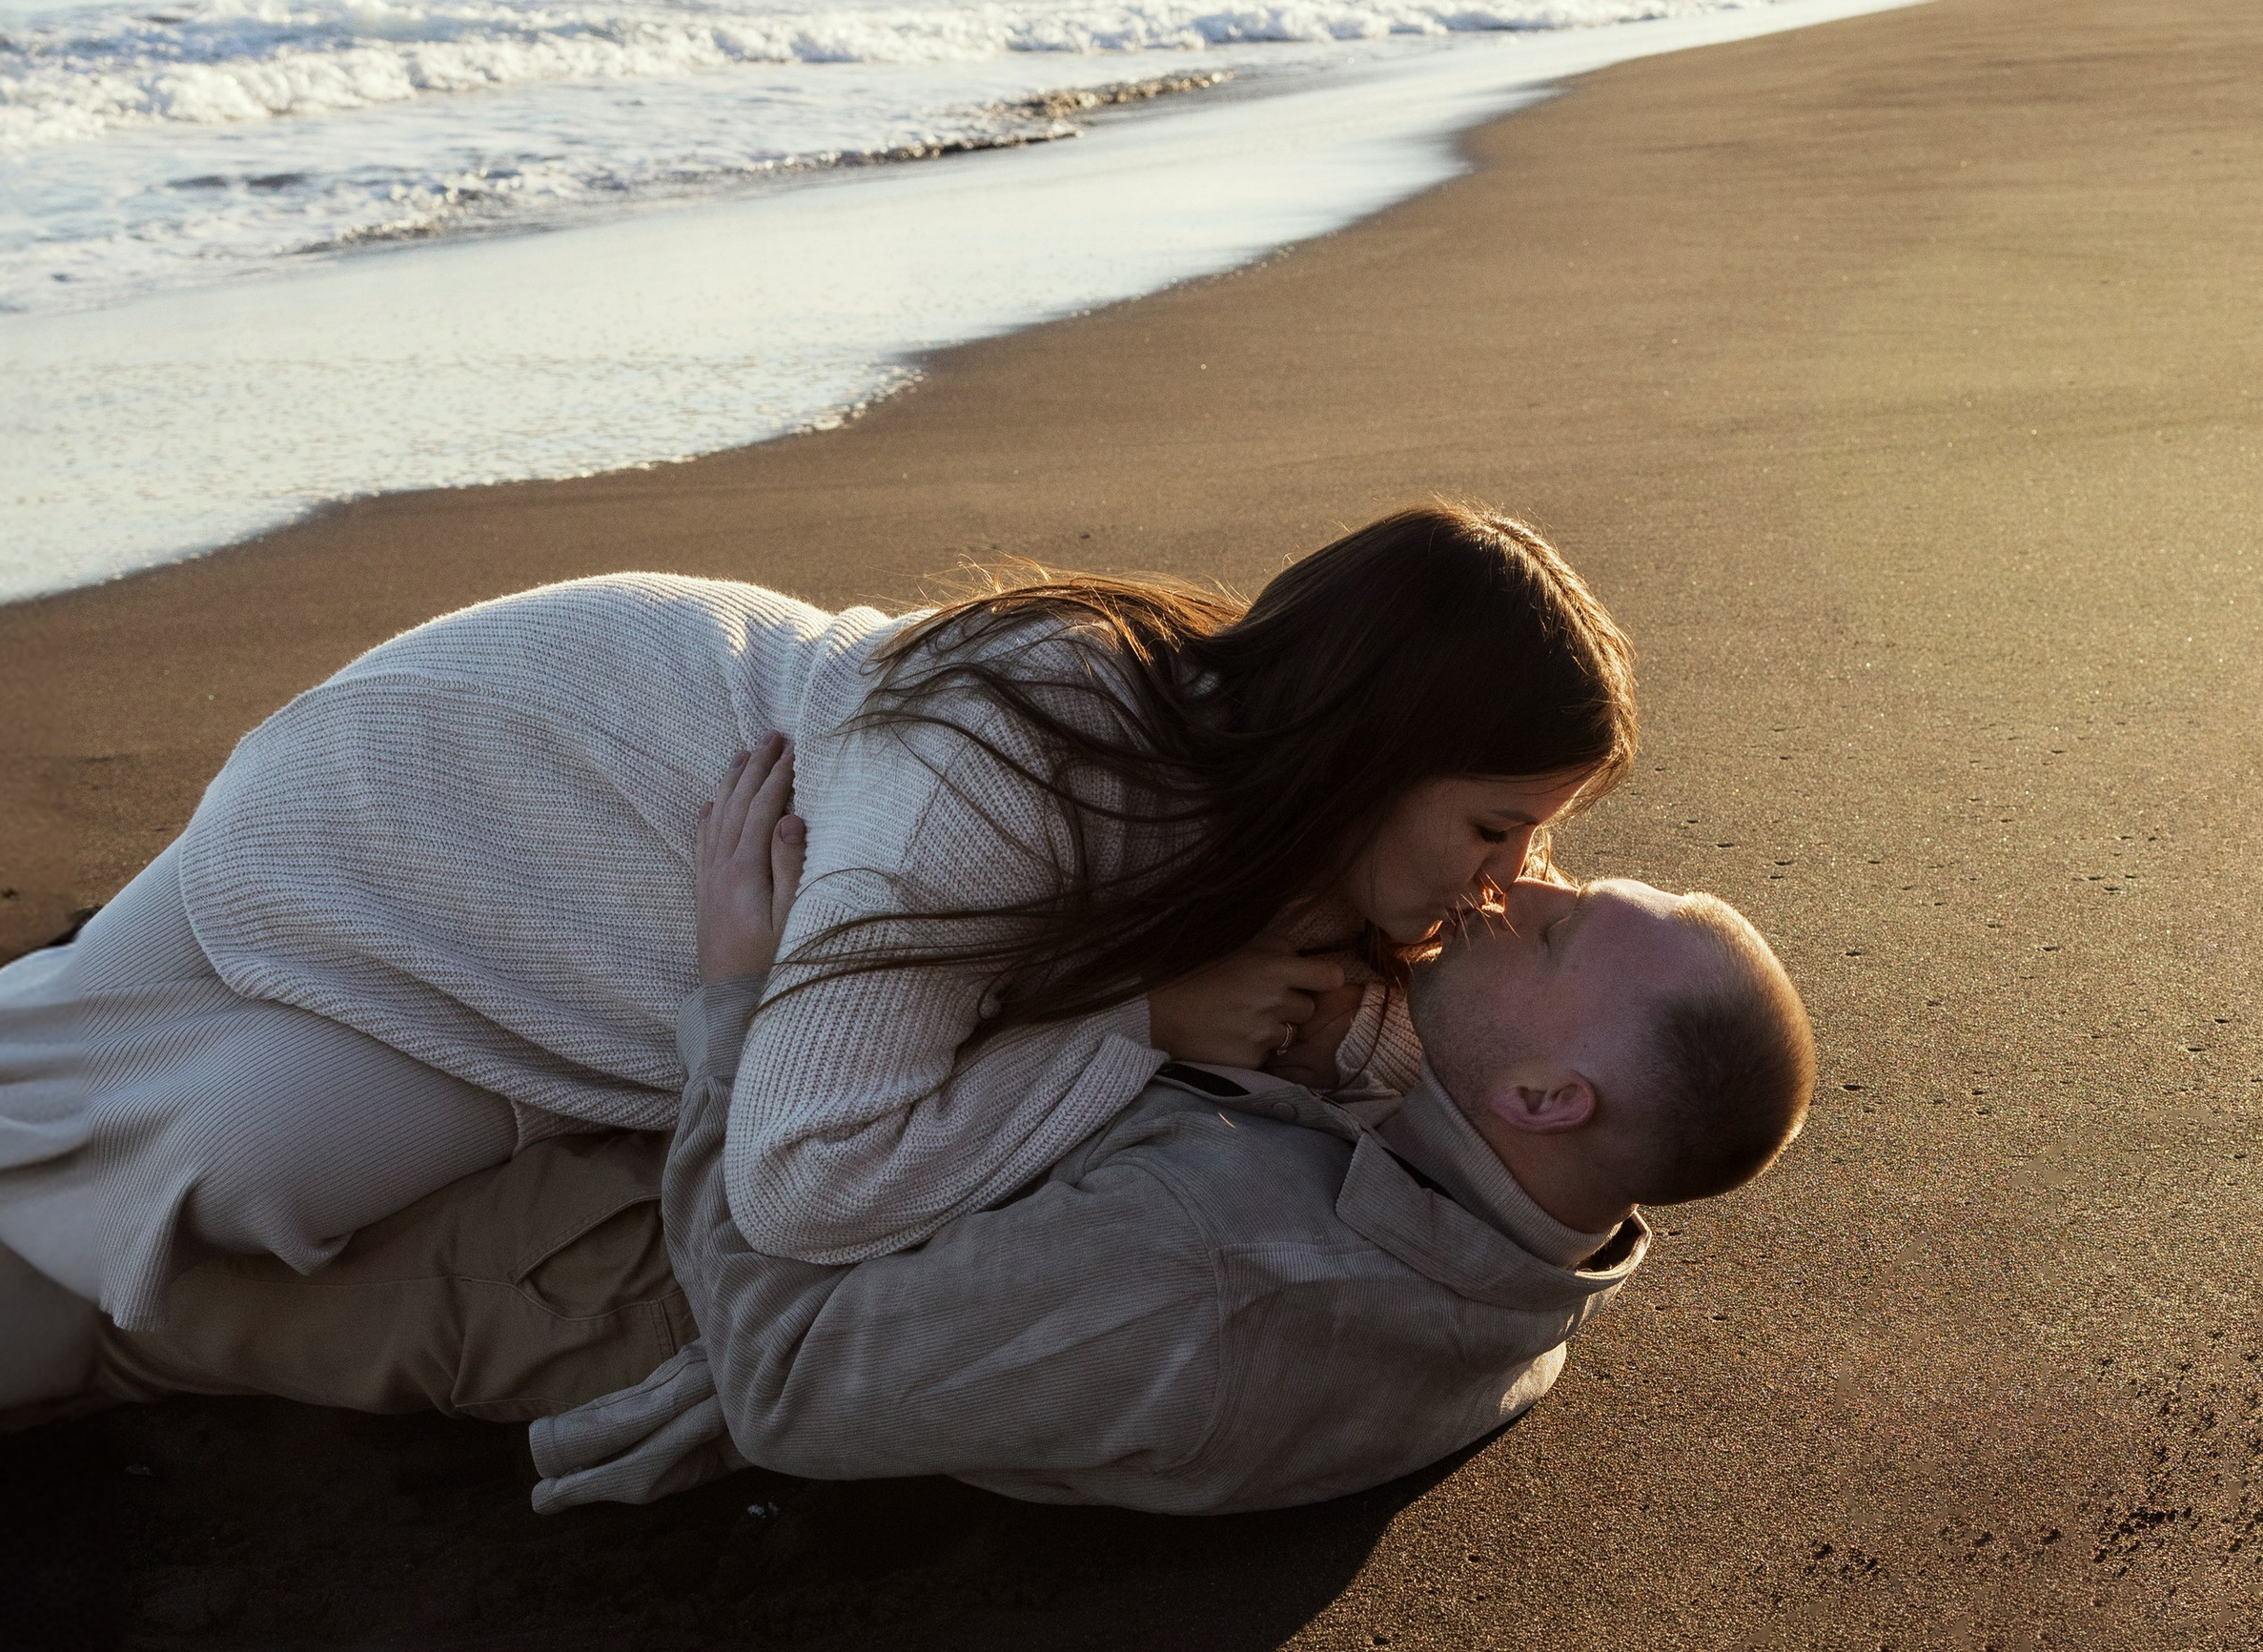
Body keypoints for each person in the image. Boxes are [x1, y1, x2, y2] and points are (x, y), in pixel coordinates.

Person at [0, 504, 1635, 1358]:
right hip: (443, 799)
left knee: (232, 1150)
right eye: (1498, 826)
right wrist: (1133, 1023)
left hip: (609, 865)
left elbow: (1378, 1057)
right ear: (1369, 751)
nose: (1515, 877)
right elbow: (803, 1184)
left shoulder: (1283, 818)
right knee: (203, 1147)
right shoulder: (1008, 763)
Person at [13, 753, 1816, 1519]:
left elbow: (789, 1373)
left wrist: (738, 992)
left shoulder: (1233, 1283)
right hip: (850, 1163)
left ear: (1553, 1098)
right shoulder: (1517, 1219)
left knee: (109, 1280)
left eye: (1569, 930)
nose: (1536, 886)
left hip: (641, 1276)